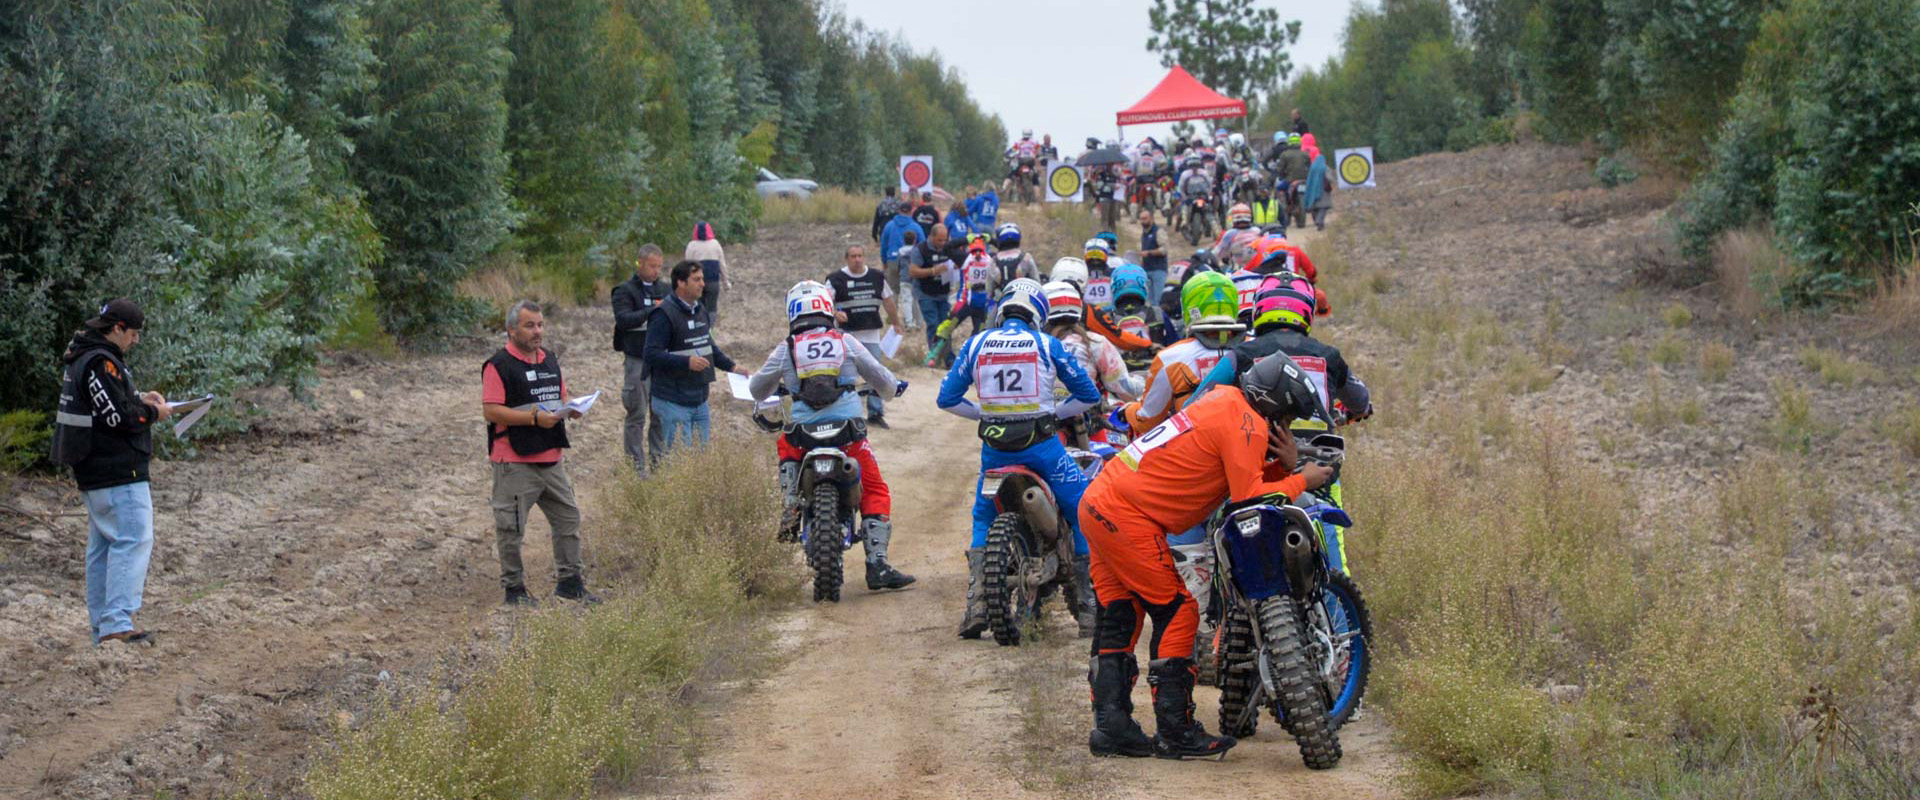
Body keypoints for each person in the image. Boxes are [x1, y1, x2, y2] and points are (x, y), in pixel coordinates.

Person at [1079, 351, 1334, 759]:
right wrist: (1303, 476)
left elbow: (1238, 480)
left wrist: (1283, 468)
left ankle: (1112, 727)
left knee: (1120, 614)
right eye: (1286, 417)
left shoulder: (1224, 401)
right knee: (1179, 611)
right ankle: (1176, 731)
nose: (1284, 427)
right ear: (1275, 403)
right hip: (1129, 515)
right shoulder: (1246, 422)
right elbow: (1250, 499)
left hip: (1100, 501)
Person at [938, 279, 1103, 639]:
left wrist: (983, 414)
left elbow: (947, 399)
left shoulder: (976, 342)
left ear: (1001, 310)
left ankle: (976, 603)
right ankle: (1089, 606)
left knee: (983, 515)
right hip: (1042, 446)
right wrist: (1056, 412)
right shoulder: (1048, 343)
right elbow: (1088, 394)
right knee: (1082, 507)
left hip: (995, 450)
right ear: (1038, 314)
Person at [749, 282, 916, 590]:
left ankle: (790, 507)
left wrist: (782, 385)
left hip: (803, 435)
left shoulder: (786, 348)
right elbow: (880, 377)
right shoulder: (845, 341)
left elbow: (756, 389)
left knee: (785, 444)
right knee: (875, 489)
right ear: (827, 307)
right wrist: (892, 390)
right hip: (847, 432)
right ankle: (877, 564)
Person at [50, 299, 170, 644]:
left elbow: (107, 404)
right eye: (134, 334)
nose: (136, 341)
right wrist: (151, 414)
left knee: (104, 548)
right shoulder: (99, 362)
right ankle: (117, 624)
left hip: (93, 471)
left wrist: (139, 398)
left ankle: (103, 627)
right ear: (118, 328)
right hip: (116, 470)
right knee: (134, 538)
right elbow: (117, 418)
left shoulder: (84, 357)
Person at [480, 301, 598, 606]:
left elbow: (558, 397)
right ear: (511, 330)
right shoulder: (498, 365)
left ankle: (570, 585)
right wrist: (534, 418)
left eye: (540, 325)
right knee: (511, 528)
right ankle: (514, 591)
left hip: (550, 457)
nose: (537, 331)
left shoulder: (549, 360)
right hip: (514, 461)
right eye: (530, 325)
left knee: (568, 518)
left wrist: (570, 410)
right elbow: (491, 411)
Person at [644, 260, 749, 456]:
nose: (703, 284)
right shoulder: (663, 314)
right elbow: (651, 354)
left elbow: (709, 347)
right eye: (697, 279)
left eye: (702, 279)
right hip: (673, 401)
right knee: (680, 463)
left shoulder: (699, 310)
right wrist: (687, 362)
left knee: (701, 462)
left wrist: (733, 367)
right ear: (681, 283)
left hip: (699, 400)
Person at [1121, 272, 1244, 435]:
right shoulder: (1256, 346)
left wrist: (1127, 410)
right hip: (1249, 441)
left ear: (1189, 308)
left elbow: (1147, 421)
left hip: (1196, 446)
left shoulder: (1170, 357)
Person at [827, 244, 902, 428]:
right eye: (853, 256)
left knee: (875, 374)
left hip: (871, 336)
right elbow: (824, 302)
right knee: (846, 376)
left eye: (860, 255)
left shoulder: (876, 277)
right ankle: (845, 414)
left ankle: (876, 413)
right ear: (847, 258)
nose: (857, 259)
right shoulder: (835, 279)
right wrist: (835, 312)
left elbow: (888, 301)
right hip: (845, 336)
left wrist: (896, 322)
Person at [612, 244, 669, 473]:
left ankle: (659, 464)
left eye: (659, 266)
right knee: (637, 413)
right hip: (637, 359)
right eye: (652, 266)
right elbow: (624, 319)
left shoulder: (665, 289)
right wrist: (654, 310)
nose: (656, 271)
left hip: (661, 361)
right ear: (640, 263)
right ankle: (635, 469)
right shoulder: (624, 291)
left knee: (660, 414)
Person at [1050, 255, 1158, 357]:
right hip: (1079, 366)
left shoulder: (1040, 303)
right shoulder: (1089, 310)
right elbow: (1118, 336)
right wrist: (1148, 345)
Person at [911, 224, 966, 351]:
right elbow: (913, 271)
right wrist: (933, 271)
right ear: (931, 237)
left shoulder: (949, 248)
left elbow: (963, 262)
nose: (942, 243)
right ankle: (934, 355)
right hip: (925, 293)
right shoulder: (920, 249)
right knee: (933, 325)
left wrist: (957, 266)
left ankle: (948, 357)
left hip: (943, 293)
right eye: (939, 240)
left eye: (945, 240)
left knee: (946, 326)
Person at [684, 222, 731, 321]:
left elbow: (686, 266)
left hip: (696, 282)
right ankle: (710, 329)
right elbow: (722, 265)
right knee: (712, 307)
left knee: (698, 306)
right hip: (713, 281)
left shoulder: (691, 245)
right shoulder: (715, 244)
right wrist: (725, 282)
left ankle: (701, 327)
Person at [1138, 209, 1169, 295]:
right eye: (1141, 219)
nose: (1143, 221)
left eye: (1145, 218)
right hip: (1147, 271)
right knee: (1151, 301)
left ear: (1151, 219)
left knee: (1159, 299)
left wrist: (1149, 253)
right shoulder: (1143, 234)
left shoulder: (1159, 231)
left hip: (1159, 270)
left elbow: (1164, 249)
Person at [1304, 146, 1334, 231]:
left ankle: (1317, 221)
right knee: (1323, 207)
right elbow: (1329, 178)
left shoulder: (1312, 167)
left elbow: (1309, 179)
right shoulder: (1324, 167)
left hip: (1313, 190)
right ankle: (1319, 221)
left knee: (1315, 207)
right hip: (1323, 190)